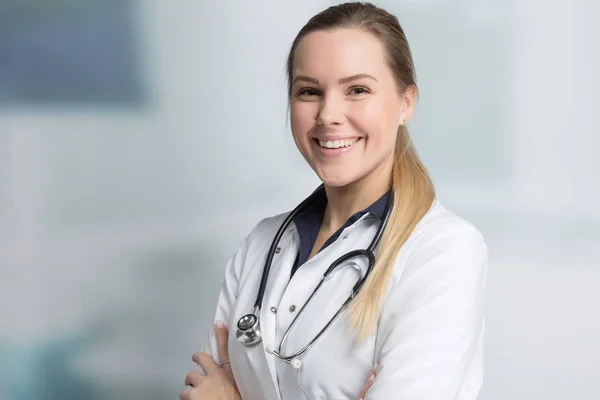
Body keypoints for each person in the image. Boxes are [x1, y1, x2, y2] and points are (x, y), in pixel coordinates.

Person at [181, 2, 488, 399]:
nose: (328, 114)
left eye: (357, 90)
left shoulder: (443, 252)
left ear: (406, 102)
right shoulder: (261, 243)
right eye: (309, 91)